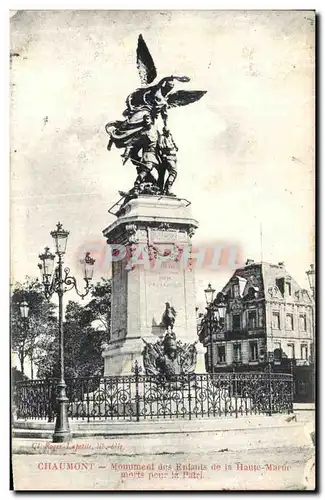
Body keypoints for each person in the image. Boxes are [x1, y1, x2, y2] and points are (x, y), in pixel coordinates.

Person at [157, 127, 178, 196]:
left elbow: (173, 142)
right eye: (166, 131)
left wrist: (175, 146)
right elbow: (160, 146)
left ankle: (165, 189)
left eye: (169, 131)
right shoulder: (162, 137)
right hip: (167, 157)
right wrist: (164, 153)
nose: (168, 132)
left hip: (174, 156)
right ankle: (167, 189)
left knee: (172, 172)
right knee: (173, 172)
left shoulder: (170, 135)